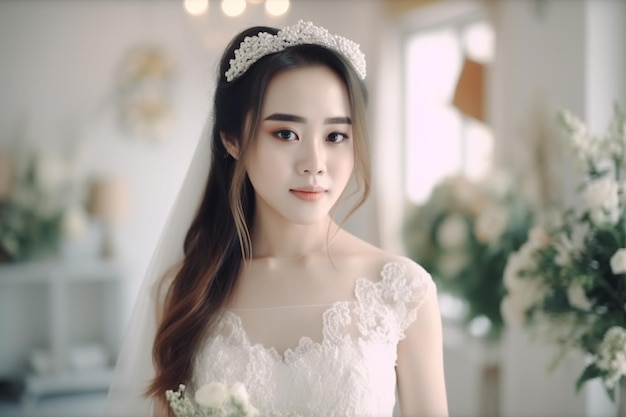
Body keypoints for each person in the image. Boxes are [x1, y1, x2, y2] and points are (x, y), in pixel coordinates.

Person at [105, 20, 448, 417]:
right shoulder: (183, 292)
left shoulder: (402, 290)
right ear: (231, 140)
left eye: (335, 136)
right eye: (285, 134)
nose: (314, 164)